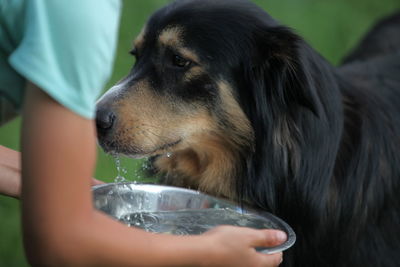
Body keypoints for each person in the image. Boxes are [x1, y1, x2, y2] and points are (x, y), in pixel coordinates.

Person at [0, 1, 286, 266]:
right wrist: (207, 252)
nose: (103, 111)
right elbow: (58, 243)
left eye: (179, 62)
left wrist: (58, 190)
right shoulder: (75, 11)